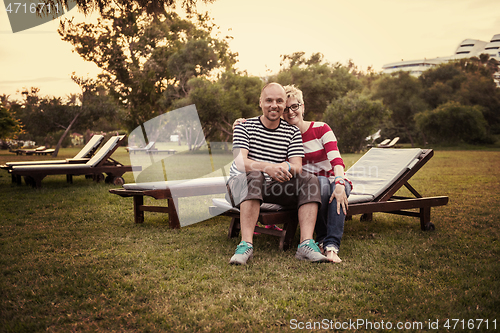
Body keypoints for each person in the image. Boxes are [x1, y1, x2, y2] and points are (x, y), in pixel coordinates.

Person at [233, 85, 351, 263]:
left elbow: (297, 165)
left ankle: (309, 243)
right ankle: (245, 245)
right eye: (269, 100)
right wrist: (268, 167)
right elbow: (239, 162)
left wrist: (284, 167)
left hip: (287, 185)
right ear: (260, 102)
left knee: (311, 179)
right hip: (242, 186)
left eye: (280, 101)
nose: (275, 105)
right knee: (257, 175)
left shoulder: (294, 131)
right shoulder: (244, 126)